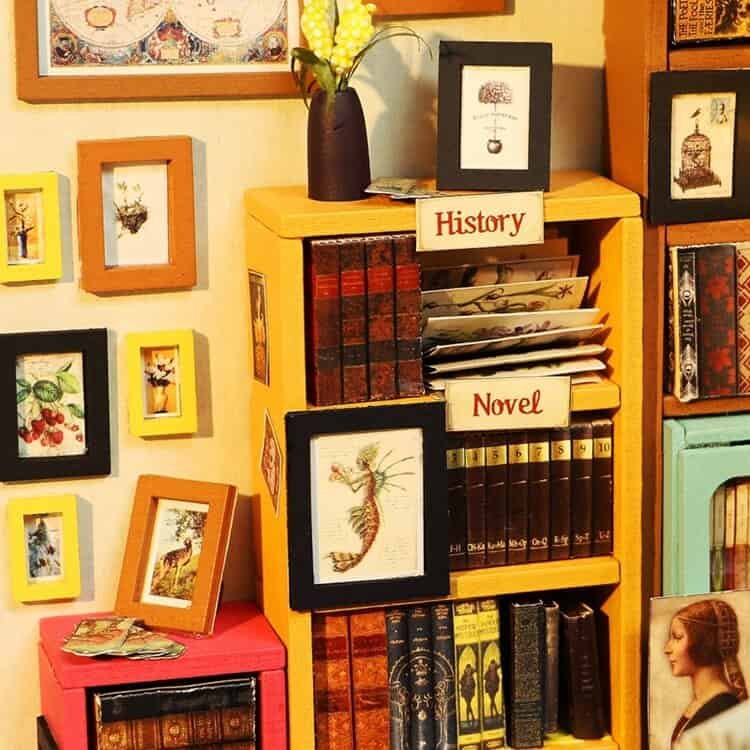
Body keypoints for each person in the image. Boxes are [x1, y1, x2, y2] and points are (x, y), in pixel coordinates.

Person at [664, 598, 748, 748]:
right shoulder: (701, 702)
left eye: (677, 638)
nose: (667, 649)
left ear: (702, 643)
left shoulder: (722, 708)